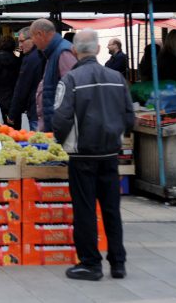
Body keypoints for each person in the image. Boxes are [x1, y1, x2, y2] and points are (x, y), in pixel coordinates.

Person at [52, 29, 133, 281]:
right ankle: (118, 264)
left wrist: (60, 140)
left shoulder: (71, 80)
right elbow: (130, 116)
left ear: (75, 51)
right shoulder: (117, 78)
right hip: (110, 153)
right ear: (98, 50)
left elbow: (61, 118)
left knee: (85, 209)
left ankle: (90, 264)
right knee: (112, 209)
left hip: (82, 155)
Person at [31, 19, 77, 132]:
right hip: (53, 122)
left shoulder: (63, 52)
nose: (33, 41)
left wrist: (59, 126)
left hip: (60, 126)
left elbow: (72, 90)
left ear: (40, 34)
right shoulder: (54, 52)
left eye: (32, 37)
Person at [9, 27, 44, 131]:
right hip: (43, 109)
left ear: (32, 39)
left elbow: (22, 87)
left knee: (38, 144)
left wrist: (13, 113)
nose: (19, 45)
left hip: (36, 110)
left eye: (21, 41)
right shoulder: (42, 54)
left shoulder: (30, 59)